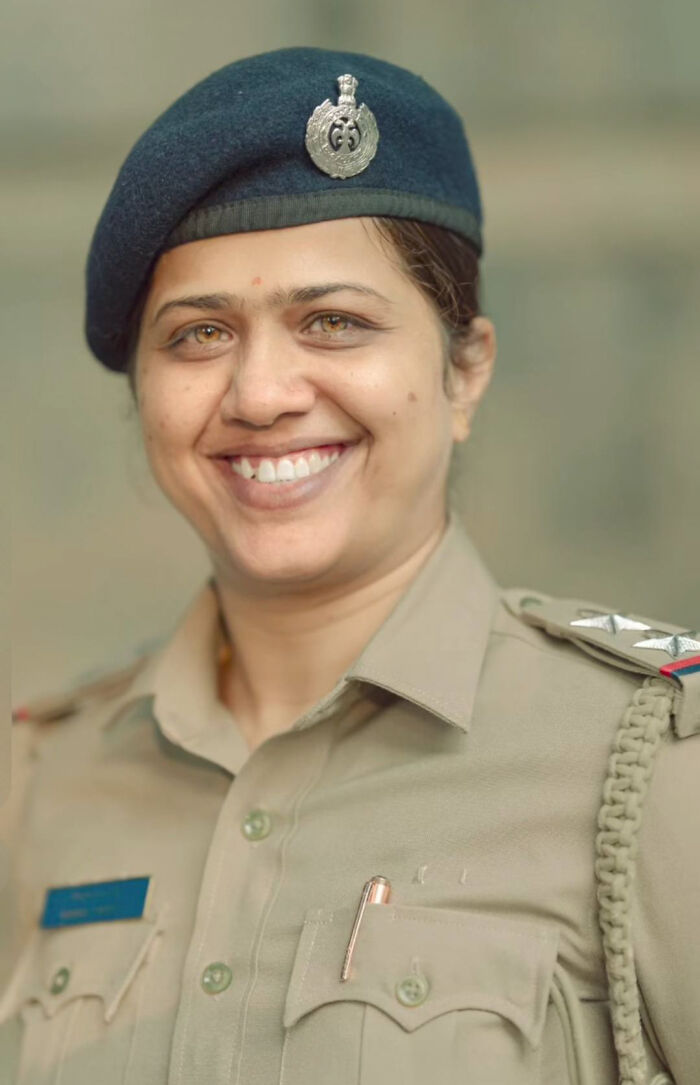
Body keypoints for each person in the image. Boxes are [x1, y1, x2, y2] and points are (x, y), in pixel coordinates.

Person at [1, 46, 698, 1085]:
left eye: (334, 322)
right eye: (198, 334)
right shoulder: (44, 782)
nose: (261, 392)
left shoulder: (650, 765)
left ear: (464, 371)